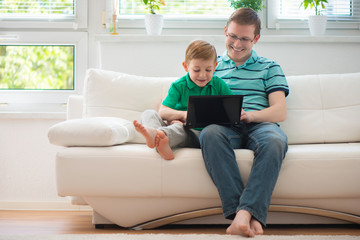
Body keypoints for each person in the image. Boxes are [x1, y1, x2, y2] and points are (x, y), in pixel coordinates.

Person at [199, 8, 290, 237]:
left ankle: (242, 215)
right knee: (209, 133)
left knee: (275, 141)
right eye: (233, 36)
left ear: (256, 39)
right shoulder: (211, 66)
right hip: (224, 126)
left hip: (260, 124)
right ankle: (246, 215)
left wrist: (249, 115)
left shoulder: (270, 67)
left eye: (245, 38)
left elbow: (279, 111)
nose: (237, 44)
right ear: (225, 32)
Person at [133, 40, 232, 160]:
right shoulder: (179, 85)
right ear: (186, 66)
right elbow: (163, 112)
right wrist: (183, 115)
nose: (202, 75)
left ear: (215, 66)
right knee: (149, 113)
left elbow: (231, 108)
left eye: (208, 70)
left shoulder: (218, 84)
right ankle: (158, 137)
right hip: (175, 126)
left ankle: (158, 137)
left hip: (196, 133)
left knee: (178, 128)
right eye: (196, 70)